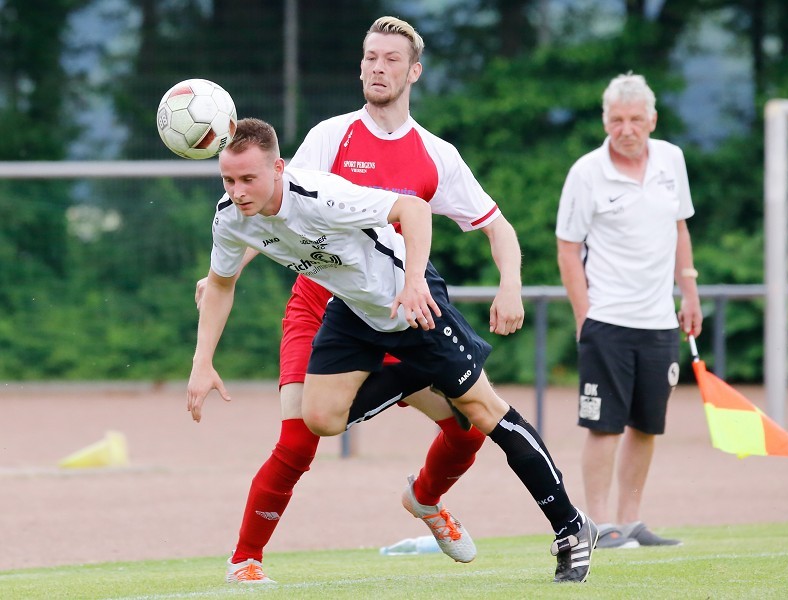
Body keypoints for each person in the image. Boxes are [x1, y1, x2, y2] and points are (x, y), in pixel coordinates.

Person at [188, 117, 600, 583]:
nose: (238, 191)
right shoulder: (229, 216)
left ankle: (571, 526)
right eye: (228, 179)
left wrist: (415, 283)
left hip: (410, 303)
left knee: (485, 412)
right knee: (319, 419)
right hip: (354, 311)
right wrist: (203, 363)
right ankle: (419, 376)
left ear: (278, 168)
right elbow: (221, 285)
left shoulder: (321, 196)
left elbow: (414, 210)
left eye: (248, 179)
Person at [193, 16, 525, 583]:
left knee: (469, 427)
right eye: (370, 56)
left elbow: (496, 226)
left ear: (413, 71)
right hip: (321, 307)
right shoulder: (331, 135)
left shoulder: (435, 154)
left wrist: (510, 283)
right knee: (300, 437)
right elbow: (281, 206)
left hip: (396, 306)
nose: (377, 66)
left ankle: (425, 499)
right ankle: (245, 560)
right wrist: (226, 269)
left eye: (390, 58)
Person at [555, 73, 703, 549]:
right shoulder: (585, 172)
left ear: (652, 120)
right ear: (605, 121)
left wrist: (690, 292)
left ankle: (631, 523)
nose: (626, 128)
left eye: (636, 119)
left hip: (659, 323)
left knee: (646, 425)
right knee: (603, 427)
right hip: (608, 321)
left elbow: (680, 228)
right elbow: (567, 248)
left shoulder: (671, 161)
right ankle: (599, 526)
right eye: (617, 119)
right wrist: (585, 317)